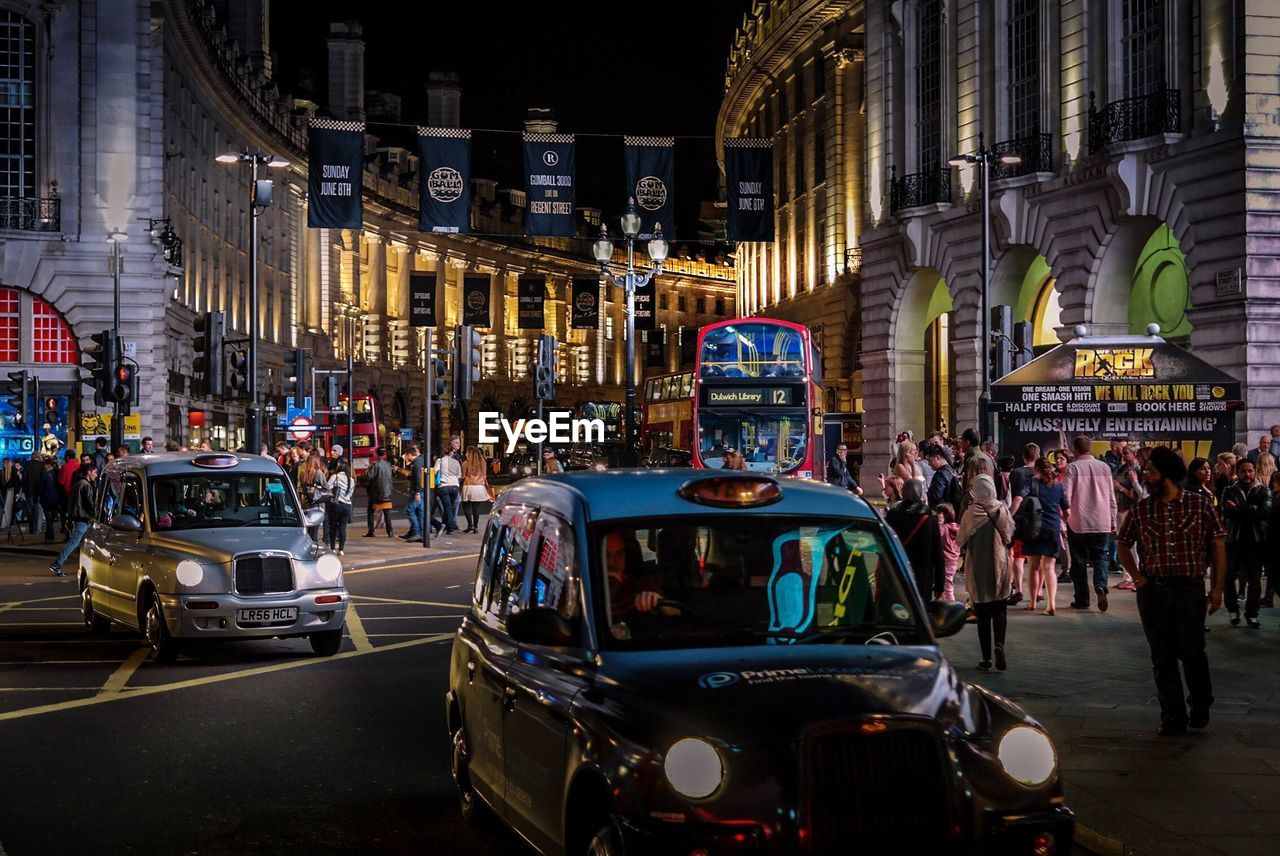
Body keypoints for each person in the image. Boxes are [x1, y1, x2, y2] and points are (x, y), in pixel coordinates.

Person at [1118, 446, 1226, 736]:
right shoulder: (1142, 509)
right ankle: (1172, 715)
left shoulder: (1199, 505)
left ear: (1165, 474)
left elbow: (1217, 546)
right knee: (1162, 657)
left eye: (1150, 471)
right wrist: (1138, 577)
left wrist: (1217, 589)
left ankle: (1201, 702)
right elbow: (1122, 543)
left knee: (1192, 651)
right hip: (1154, 591)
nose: (1145, 475)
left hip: (1189, 589)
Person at [958, 474, 1015, 671]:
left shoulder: (970, 513)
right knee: (1000, 608)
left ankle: (986, 658)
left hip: (978, 566)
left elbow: (961, 540)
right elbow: (1008, 536)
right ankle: (999, 644)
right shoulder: (1001, 509)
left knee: (982, 613)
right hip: (999, 564)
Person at [1062, 435, 1117, 612]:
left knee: (1078, 561)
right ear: (1090, 448)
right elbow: (1111, 497)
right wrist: (1113, 519)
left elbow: (1066, 497)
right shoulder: (1104, 467)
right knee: (1101, 556)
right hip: (1102, 521)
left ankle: (1082, 599)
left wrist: (1065, 517)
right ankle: (1101, 586)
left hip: (1078, 522)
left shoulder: (1072, 468)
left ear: (1075, 450)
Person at [1219, 458, 1270, 628]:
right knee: (1228, 579)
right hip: (1233, 540)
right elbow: (1226, 512)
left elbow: (1264, 513)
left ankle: (1252, 614)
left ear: (1255, 471)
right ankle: (1233, 610)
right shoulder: (1229, 490)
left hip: (1255, 542)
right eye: (1243, 471)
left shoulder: (1264, 491)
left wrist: (1239, 509)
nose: (1247, 474)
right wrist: (1251, 509)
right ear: (1238, 473)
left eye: (1250, 471)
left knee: (1254, 581)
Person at [1022, 457, 1070, 615]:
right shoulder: (1058, 486)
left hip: (1034, 529)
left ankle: (1033, 602)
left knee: (1034, 568)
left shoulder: (1031, 484)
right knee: (1049, 568)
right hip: (1052, 528)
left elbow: (1022, 501)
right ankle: (1051, 604)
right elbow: (1067, 511)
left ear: (1036, 469)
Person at [885, 479, 944, 601]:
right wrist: (939, 585)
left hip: (898, 570)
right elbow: (938, 554)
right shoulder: (929, 518)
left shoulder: (893, 515)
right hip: (922, 576)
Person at [49, 463, 98, 577]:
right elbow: (89, 504)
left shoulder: (78, 484)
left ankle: (87, 567)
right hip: (83, 518)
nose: (96, 475)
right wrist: (96, 513)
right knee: (74, 543)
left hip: (77, 517)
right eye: (94, 472)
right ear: (89, 472)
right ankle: (57, 564)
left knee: (86, 544)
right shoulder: (86, 485)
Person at [604, 531, 661, 620]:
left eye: (619, 554)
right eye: (606, 555)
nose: (612, 562)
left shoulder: (640, 582)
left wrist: (655, 599)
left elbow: (674, 611)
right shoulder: (584, 585)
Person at [1112, 445, 1146, 591]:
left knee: (1131, 546)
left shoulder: (1137, 470)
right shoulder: (1121, 469)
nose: (1123, 456)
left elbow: (1135, 495)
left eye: (1126, 453)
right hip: (1120, 508)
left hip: (1130, 510)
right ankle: (1127, 577)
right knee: (1122, 543)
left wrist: (1120, 488)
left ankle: (1133, 577)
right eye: (1122, 453)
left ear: (1134, 454)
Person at [297, 452, 329, 542]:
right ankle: (314, 549)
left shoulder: (303, 473)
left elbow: (300, 489)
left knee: (309, 530)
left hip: (306, 505)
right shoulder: (318, 473)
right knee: (315, 531)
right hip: (317, 506)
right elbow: (326, 489)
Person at [363, 447, 394, 538]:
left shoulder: (375, 465)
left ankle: (371, 531)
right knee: (387, 512)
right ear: (384, 454)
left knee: (370, 511)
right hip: (387, 492)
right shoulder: (388, 464)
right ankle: (390, 531)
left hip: (376, 493)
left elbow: (369, 477)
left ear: (376, 454)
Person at [326, 460, 355, 555]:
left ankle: (333, 548)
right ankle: (341, 550)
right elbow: (350, 494)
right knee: (343, 528)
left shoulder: (335, 476)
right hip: (347, 505)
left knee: (333, 527)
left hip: (336, 504)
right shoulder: (351, 480)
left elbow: (328, 487)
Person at [433, 442, 463, 536]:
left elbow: (435, 472)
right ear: (451, 453)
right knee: (449, 507)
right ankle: (445, 525)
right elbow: (459, 475)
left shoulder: (440, 461)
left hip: (444, 486)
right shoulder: (456, 462)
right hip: (455, 487)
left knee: (447, 507)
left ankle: (449, 527)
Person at [398, 444, 426, 541]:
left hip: (418, 491)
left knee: (409, 510)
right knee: (420, 512)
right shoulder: (421, 460)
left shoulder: (417, 463)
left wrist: (418, 492)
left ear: (410, 454)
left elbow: (418, 478)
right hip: (422, 490)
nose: (405, 458)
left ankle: (417, 532)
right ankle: (420, 533)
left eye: (406, 456)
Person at [460, 446, 490, 533]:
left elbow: (463, 476)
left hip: (468, 486)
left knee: (466, 506)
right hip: (479, 487)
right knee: (476, 508)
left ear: (470, 454)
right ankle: (476, 527)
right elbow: (484, 475)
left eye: (467, 452)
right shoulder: (483, 462)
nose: (465, 454)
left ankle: (470, 525)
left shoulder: (465, 463)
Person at [935, 502, 960, 601]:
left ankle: (951, 605)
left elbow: (937, 535)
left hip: (945, 560)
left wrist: (939, 522)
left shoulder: (944, 528)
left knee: (948, 587)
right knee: (948, 583)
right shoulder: (956, 526)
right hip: (954, 560)